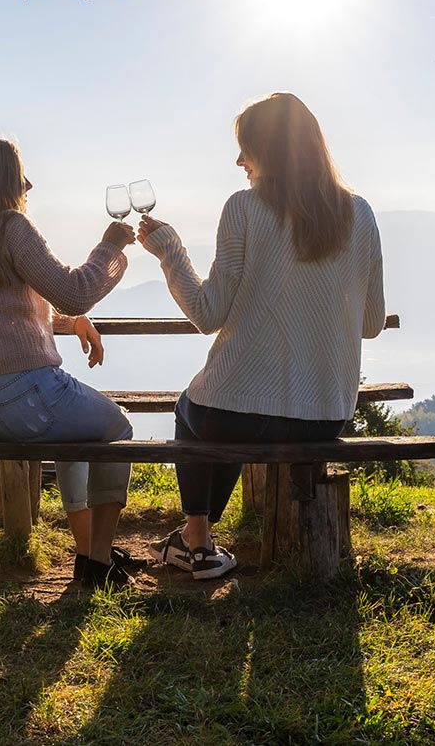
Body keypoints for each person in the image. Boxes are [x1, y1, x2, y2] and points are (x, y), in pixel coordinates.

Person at [136, 93, 386, 580]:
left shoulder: (244, 208)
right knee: (223, 403)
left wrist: (169, 250)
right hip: (325, 417)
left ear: (268, 152)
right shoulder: (362, 215)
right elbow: (371, 323)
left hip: (237, 419)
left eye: (245, 148)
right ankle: (197, 540)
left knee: (197, 409)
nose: (239, 161)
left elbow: (207, 315)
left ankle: (197, 540)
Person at [0, 137, 140, 588]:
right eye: (20, 175)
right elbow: (76, 289)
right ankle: (98, 562)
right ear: (1, 180)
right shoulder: (11, 227)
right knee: (116, 427)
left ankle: (87, 551)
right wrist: (111, 246)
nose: (28, 184)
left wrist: (69, 322)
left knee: (78, 434)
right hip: (26, 400)